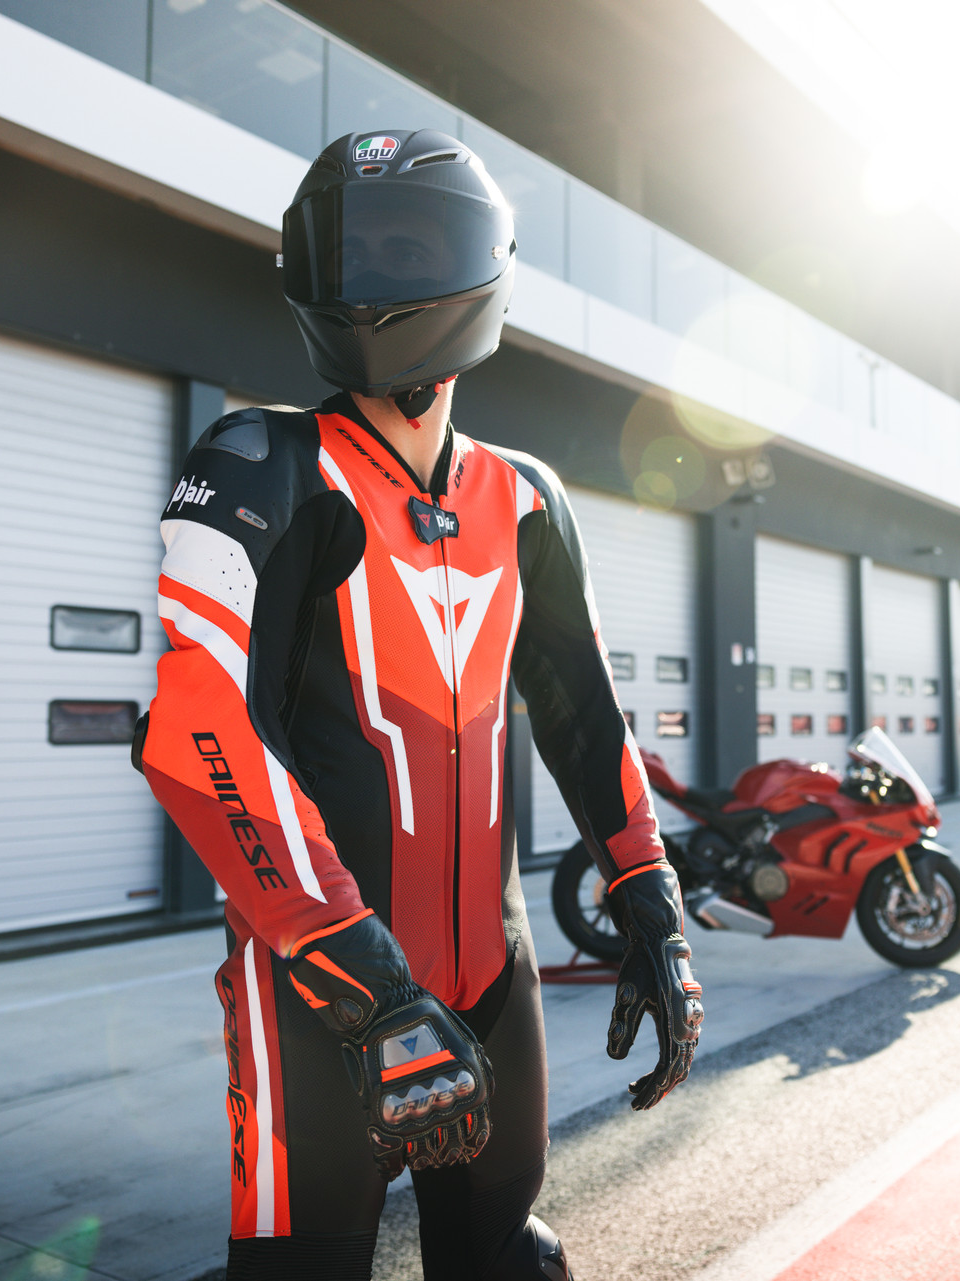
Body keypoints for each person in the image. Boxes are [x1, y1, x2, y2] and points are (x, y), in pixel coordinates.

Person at [134, 129, 704, 1280]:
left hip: (494, 979)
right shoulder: (256, 463)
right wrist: (367, 987)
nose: (372, 280)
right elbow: (199, 734)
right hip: (315, 992)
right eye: (350, 250)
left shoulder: (528, 498)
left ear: (478, 264)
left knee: (506, 1262)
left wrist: (651, 897)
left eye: (409, 248)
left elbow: (585, 716)